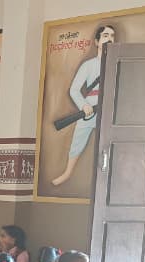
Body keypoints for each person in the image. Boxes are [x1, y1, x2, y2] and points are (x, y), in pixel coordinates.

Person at [52, 25, 114, 187]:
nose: (110, 38)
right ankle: (67, 173)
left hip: (108, 110)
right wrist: (84, 105)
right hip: (90, 109)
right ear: (97, 41)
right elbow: (74, 90)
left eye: (112, 36)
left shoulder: (117, 64)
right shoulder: (89, 65)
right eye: (106, 35)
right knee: (78, 139)